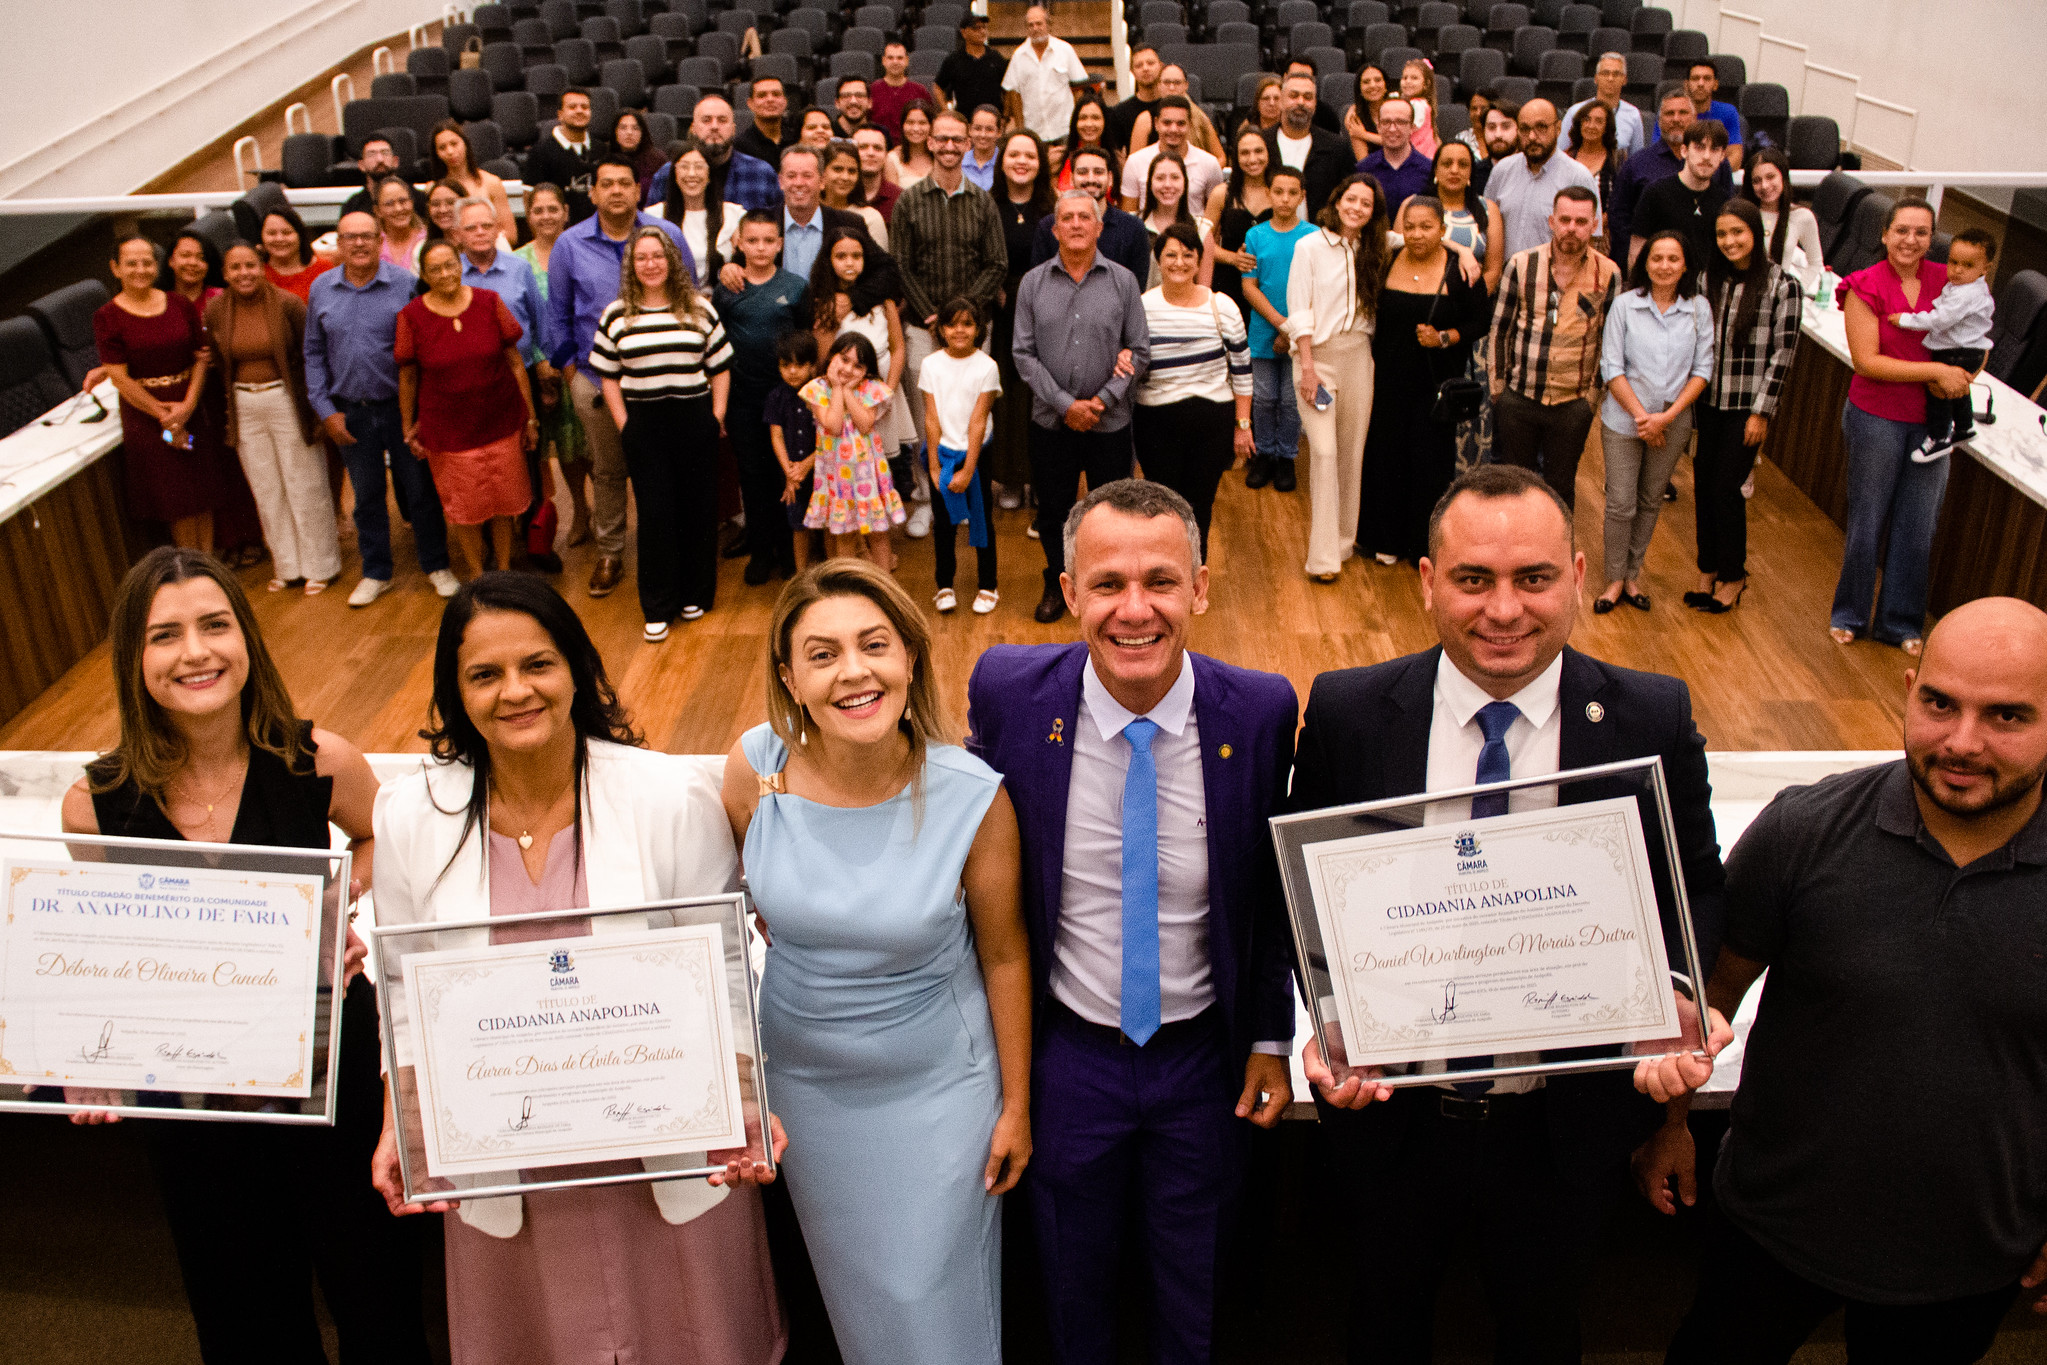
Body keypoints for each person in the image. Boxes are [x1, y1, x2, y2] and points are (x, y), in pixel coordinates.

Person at [1293, 461, 1727, 1365]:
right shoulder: (1349, 712)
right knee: (1381, 1324)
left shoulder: (1649, 717)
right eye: (1472, 579)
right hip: (1394, 1122)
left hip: (1559, 1130)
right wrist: (1332, 1013)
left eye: (1532, 578)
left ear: (1576, 574)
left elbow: (1692, 885)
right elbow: (1305, 895)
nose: (1503, 610)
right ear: (1425, 581)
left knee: (1541, 1332)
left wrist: (1674, 992)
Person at [370, 572, 786, 1365]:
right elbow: (402, 985)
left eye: (538, 664)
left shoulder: (667, 795)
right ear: (455, 692)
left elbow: (724, 968)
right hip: (505, 1163)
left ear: (576, 668)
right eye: (484, 674)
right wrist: (403, 1119)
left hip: (664, 1155)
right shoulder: (411, 815)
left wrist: (745, 1100)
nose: (515, 690)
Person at [61, 546, 434, 1365]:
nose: (195, 652)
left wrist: (339, 902)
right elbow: (102, 943)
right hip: (194, 1100)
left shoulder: (318, 759)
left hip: (330, 1072)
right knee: (243, 1318)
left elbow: (381, 839)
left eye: (214, 625)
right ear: (132, 657)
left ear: (246, 638)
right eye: (165, 635)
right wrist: (89, 1048)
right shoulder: (95, 802)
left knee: (376, 1297)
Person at [1651, 597, 2047, 1365]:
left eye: (2005, 716)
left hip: (1967, 1256)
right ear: (1907, 689)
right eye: (1939, 703)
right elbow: (1706, 994)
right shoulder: (1801, 829)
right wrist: (1668, 1126)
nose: (1961, 741)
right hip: (1766, 1223)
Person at [965, 478, 1298, 1365]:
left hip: (1203, 1062)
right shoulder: (1007, 693)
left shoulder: (1260, 711)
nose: (1135, 609)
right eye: (1107, 583)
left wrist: (1269, 1034)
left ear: (1201, 588)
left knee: (1195, 1296)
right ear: (1068, 592)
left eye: (1160, 580)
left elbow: (1270, 894)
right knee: (1070, 1291)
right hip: (1067, 1056)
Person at [723, 559, 1030, 1365]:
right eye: (822, 654)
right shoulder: (755, 769)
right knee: (859, 1310)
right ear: (788, 676)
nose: (853, 672)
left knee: (932, 1304)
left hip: (938, 1094)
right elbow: (738, 917)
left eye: (874, 644)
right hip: (804, 1092)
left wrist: (1016, 1106)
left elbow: (1004, 955)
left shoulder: (972, 795)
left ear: (910, 657)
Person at [544, 154, 695, 600]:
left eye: (624, 183)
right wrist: (572, 374)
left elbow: (689, 295)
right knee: (608, 470)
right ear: (592, 193)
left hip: (663, 378)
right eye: (606, 184)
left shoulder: (667, 235)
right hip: (595, 379)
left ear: (637, 190)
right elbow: (558, 314)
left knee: (663, 468)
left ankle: (665, 550)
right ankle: (610, 552)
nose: (615, 191)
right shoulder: (569, 244)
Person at [1830, 197, 1974, 655]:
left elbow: (1978, 336)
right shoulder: (1865, 285)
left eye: (1921, 232)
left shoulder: (1949, 281)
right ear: (1885, 235)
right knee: (1868, 519)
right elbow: (1867, 361)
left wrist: (1966, 372)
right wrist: (1936, 372)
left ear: (1932, 239)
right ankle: (1850, 615)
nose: (1911, 240)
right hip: (1877, 417)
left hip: (1934, 424)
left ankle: (1900, 622)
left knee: (1918, 525)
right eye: (1902, 231)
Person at [1012, 189, 1152, 623]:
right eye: (1067, 218)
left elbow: (1139, 350)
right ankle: (1058, 582)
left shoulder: (1123, 282)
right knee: (1054, 510)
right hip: (1051, 422)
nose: (1075, 224)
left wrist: (1101, 401)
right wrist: (1065, 404)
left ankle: (1109, 585)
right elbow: (1023, 354)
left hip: (1110, 422)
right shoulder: (1032, 283)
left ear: (1099, 227)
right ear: (1055, 229)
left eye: (1084, 217)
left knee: (1114, 511)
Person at [302, 212, 456, 604]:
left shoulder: (405, 284)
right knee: (367, 496)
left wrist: (421, 412)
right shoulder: (321, 288)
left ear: (380, 240)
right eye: (350, 237)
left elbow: (424, 348)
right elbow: (313, 353)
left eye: (367, 236)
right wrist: (325, 410)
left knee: (420, 491)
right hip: (349, 411)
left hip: (400, 410)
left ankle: (436, 565)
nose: (358, 244)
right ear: (339, 243)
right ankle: (375, 572)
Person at [587, 227, 730, 638]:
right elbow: (608, 376)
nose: (650, 264)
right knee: (655, 514)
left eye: (658, 256)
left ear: (672, 261)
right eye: (642, 257)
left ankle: (694, 594)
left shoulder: (700, 309)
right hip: (644, 422)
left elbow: (720, 367)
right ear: (631, 265)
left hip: (694, 416)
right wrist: (624, 424)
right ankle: (658, 605)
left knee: (697, 508)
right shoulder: (617, 314)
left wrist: (716, 416)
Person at [889, 106, 1010, 518]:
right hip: (921, 329)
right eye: (942, 138)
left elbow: (997, 264)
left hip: (974, 332)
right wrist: (934, 318)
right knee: (929, 414)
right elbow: (901, 265)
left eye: (958, 139)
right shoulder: (908, 201)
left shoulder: (983, 202)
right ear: (929, 142)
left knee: (973, 412)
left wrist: (962, 319)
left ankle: (971, 488)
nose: (949, 146)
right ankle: (930, 495)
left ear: (968, 143)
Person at [397, 239, 538, 584]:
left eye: (450, 265)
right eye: (435, 269)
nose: (445, 273)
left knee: (503, 503)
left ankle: (503, 571)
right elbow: (408, 377)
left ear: (460, 265)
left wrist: (530, 417)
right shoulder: (411, 316)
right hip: (448, 431)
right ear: (423, 275)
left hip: (500, 420)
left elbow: (515, 363)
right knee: (464, 509)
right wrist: (407, 425)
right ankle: (477, 577)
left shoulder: (489, 302)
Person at [1359, 196, 1490, 565]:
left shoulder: (1460, 271)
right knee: (1385, 456)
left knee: (1429, 461)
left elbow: (1480, 321)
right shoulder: (1386, 258)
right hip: (1387, 379)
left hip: (1435, 383)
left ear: (1442, 230)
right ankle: (1383, 538)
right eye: (1410, 227)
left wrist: (1444, 337)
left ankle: (1422, 543)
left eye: (1426, 227)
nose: (1417, 234)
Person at [208, 242, 341, 594]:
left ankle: (321, 565)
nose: (244, 274)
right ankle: (287, 566)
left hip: (286, 399)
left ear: (262, 267)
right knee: (266, 489)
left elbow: (312, 355)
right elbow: (220, 362)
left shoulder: (287, 304)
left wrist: (317, 409)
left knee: (305, 483)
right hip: (244, 404)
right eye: (235, 268)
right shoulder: (217, 310)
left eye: (250, 266)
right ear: (225, 274)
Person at [1690, 198, 1801, 615]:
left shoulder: (1782, 285)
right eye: (1722, 234)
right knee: (1703, 486)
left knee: (1726, 489)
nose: (1730, 241)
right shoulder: (1708, 279)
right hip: (1707, 401)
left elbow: (1783, 354)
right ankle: (1707, 569)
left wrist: (1762, 412)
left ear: (1756, 232)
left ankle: (1734, 574)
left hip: (1746, 406)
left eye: (1738, 232)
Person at [1592, 230, 1711, 614]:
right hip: (1624, 420)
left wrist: (1666, 418)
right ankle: (1613, 579)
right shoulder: (1625, 305)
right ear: (1645, 263)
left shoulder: (1698, 309)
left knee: (1649, 500)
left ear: (1686, 265)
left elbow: (1702, 370)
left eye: (1673, 259)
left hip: (1673, 422)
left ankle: (1632, 576)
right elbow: (1612, 366)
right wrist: (1644, 418)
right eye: (1656, 258)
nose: (1664, 266)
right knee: (1620, 503)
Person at [1487, 185, 1623, 508]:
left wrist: (1592, 397)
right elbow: (1501, 329)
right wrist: (1498, 387)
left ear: (1594, 225)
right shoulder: (1521, 264)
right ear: (1552, 221)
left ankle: (1556, 542)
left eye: (1581, 221)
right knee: (1515, 486)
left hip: (1573, 403)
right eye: (1565, 220)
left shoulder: (1608, 273)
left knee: (1560, 488)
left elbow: (1610, 340)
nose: (1571, 228)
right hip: (1519, 396)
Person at [1289, 174, 1387, 582]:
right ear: (1337, 200)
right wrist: (1308, 367)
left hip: (1359, 357)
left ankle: (1345, 542)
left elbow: (1428, 235)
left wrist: (1464, 251)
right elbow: (1299, 308)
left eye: (1366, 203)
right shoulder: (1309, 246)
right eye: (1351, 199)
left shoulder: (1377, 246)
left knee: (1351, 453)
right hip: (1317, 359)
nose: (1356, 208)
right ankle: (1324, 558)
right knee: (1325, 452)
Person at [1134, 222, 1252, 555]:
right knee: (1161, 506)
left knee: (1200, 504)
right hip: (1156, 423)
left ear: (1200, 261)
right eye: (1171, 255)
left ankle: (1195, 571)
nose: (1179, 263)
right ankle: (1164, 571)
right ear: (1158, 261)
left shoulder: (1222, 306)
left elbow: (1242, 370)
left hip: (1212, 424)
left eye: (1188, 255)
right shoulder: (1142, 307)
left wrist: (1243, 425)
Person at [714, 210, 813, 585]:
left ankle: (789, 551)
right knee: (752, 476)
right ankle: (760, 552)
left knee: (784, 472)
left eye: (768, 240)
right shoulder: (728, 288)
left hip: (787, 401)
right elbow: (717, 344)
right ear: (738, 243)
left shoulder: (796, 287)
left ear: (780, 244)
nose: (760, 248)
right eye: (752, 240)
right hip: (743, 398)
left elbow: (804, 339)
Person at [515, 183, 593, 549]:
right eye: (538, 210)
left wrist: (569, 361)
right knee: (565, 447)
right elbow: (521, 319)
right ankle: (580, 510)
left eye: (553, 209)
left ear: (565, 212)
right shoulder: (518, 262)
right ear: (528, 216)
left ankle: (606, 510)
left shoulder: (583, 250)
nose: (546, 216)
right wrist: (544, 361)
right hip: (544, 370)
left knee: (595, 444)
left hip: (586, 364)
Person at [809, 226, 915, 483]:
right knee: (854, 461)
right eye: (841, 256)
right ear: (828, 260)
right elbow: (823, 361)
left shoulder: (883, 302)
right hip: (845, 397)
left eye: (856, 256)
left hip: (882, 390)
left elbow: (897, 348)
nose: (849, 263)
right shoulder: (827, 306)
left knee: (884, 460)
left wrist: (887, 392)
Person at [921, 297, 1004, 613]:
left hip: (977, 452)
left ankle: (988, 585)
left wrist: (969, 470)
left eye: (967, 324)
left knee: (982, 518)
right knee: (943, 524)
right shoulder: (931, 365)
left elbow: (978, 420)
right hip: (942, 452)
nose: (960, 330)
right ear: (941, 329)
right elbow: (931, 418)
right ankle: (944, 585)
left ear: (979, 329)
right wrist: (933, 466)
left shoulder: (987, 366)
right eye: (952, 324)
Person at [992, 129, 1058, 503]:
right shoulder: (987, 206)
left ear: (1040, 163)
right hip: (1002, 312)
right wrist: (996, 291)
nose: (1022, 162)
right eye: (1014, 154)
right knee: (1009, 395)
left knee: (1043, 394)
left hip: (1048, 311)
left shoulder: (1053, 208)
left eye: (1030, 156)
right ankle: (1011, 478)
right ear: (1001, 162)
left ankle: (1041, 478)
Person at [801, 332, 906, 564]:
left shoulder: (870, 388)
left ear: (867, 371)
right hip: (837, 478)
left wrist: (847, 391)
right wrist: (837, 388)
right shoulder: (817, 388)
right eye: (844, 359)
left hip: (868, 475)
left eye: (858, 366)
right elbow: (833, 425)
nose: (848, 369)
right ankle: (850, 582)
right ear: (831, 357)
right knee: (845, 535)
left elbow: (865, 424)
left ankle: (882, 580)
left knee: (878, 533)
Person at [1240, 166, 1314, 492]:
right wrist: (1281, 326)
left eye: (1292, 193)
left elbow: (1316, 289)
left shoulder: (1312, 236)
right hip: (1264, 331)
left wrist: (1292, 331)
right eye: (1278, 192)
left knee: (1290, 400)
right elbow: (1250, 287)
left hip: (1302, 333)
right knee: (1264, 397)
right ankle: (1264, 454)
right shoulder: (1256, 236)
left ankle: (1286, 456)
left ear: (1302, 196)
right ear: (1268, 194)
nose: (1285, 199)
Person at [1895, 227, 1998, 460]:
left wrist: (1905, 320)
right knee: (1959, 391)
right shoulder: (1968, 287)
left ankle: (1939, 438)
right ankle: (1964, 428)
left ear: (1985, 268)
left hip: (1958, 352)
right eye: (1953, 262)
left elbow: (1940, 320)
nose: (1958, 270)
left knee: (1939, 391)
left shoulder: (1966, 294)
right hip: (1969, 350)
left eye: (1968, 265)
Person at [1611, 84, 1734, 269]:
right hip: (1658, 266)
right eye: (1669, 114)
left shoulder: (1717, 165)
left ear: (1695, 117)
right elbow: (1619, 215)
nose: (1676, 119)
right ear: (1659, 120)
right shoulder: (1637, 164)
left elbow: (1727, 210)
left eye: (1683, 113)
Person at [1484, 98, 1601, 259]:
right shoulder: (1502, 171)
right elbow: (1486, 229)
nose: (1532, 137)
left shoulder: (1578, 177)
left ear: (1558, 128)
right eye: (1525, 129)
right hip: (1505, 273)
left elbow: (1591, 243)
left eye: (1541, 127)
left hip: (1555, 274)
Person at [1027, 145, 1154, 285]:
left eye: (1098, 172)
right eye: (1082, 172)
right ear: (1071, 178)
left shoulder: (1133, 228)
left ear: (1110, 178)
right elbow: (1039, 283)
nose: (1091, 179)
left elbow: (1136, 286)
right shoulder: (1049, 226)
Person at [1627, 118, 1728, 269]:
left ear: (1722, 156)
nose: (1706, 156)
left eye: (1714, 149)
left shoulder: (1724, 200)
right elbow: (1636, 253)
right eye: (1699, 147)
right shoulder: (1656, 193)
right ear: (1684, 151)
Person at [766, 331, 822, 571]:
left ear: (812, 366)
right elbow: (776, 436)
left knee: (828, 525)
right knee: (798, 525)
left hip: (822, 470)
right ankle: (801, 574)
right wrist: (789, 472)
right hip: (792, 475)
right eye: (785, 365)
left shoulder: (821, 394)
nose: (792, 371)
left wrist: (808, 464)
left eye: (799, 365)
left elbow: (828, 437)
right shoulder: (776, 396)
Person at [1269, 71, 1355, 228]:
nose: (1301, 102)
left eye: (1308, 97)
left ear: (1315, 104)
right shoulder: (1262, 144)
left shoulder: (1337, 147)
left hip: (1322, 236)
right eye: (1294, 96)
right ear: (1280, 101)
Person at [1204, 124, 1275, 315]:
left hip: (1270, 283)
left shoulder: (1279, 192)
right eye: (1245, 153)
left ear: (1269, 152)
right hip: (1228, 285)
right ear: (1235, 157)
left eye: (1258, 151)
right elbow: (1203, 242)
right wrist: (1233, 258)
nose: (1252, 159)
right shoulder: (1222, 194)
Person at [659, 138, 745, 285]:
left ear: (709, 174)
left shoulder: (733, 215)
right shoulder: (654, 215)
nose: (692, 174)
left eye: (699, 167)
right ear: (675, 173)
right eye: (684, 167)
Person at [1121, 97, 1226, 217]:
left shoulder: (1209, 163)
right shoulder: (1135, 162)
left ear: (1190, 125)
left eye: (1180, 123)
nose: (1173, 129)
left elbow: (1214, 216)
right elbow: (1128, 216)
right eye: (1167, 123)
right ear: (1156, 124)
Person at [1740, 147, 1825, 294]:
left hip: (1778, 297)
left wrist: (1796, 291)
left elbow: (1815, 263)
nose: (1764, 186)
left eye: (1770, 177)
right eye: (1756, 181)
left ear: (1783, 176)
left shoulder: (1802, 216)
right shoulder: (1742, 213)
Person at [1003, 5, 1091, 145]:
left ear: (1048, 25)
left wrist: (1077, 122)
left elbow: (1079, 89)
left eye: (1039, 24)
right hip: (1033, 131)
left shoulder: (1065, 50)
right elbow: (1014, 94)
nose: (1035, 28)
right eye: (1030, 25)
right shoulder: (1018, 56)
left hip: (1064, 129)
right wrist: (1021, 129)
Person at [687, 94, 783, 213]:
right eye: (706, 120)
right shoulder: (670, 173)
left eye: (722, 120)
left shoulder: (762, 173)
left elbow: (779, 219)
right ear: (693, 128)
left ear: (733, 129)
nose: (714, 126)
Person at [429, 119, 518, 242]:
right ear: (437, 153)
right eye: (442, 147)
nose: (450, 151)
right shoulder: (435, 190)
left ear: (465, 143)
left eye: (454, 144)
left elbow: (511, 234)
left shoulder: (491, 183)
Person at [524, 86, 603, 220]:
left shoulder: (601, 149)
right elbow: (529, 200)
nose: (579, 111)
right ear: (560, 114)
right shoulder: (540, 152)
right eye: (572, 107)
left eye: (584, 107)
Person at [1127, 64, 1227, 167]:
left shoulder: (1200, 117)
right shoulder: (1145, 119)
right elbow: (1135, 163)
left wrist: (1199, 172)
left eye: (1177, 83)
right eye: (1166, 82)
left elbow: (1221, 158)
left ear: (1186, 85)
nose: (1172, 87)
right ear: (1159, 85)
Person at [1136, 152, 1211, 288]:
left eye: (1175, 177)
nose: (1167, 184)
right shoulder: (1133, 225)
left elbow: (1204, 289)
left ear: (1185, 182)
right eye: (1160, 178)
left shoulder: (1201, 230)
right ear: (1150, 183)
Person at [1563, 52, 1647, 159]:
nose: (1610, 78)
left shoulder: (1633, 114)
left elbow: (1637, 159)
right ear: (1596, 78)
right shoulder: (1575, 111)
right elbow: (1561, 153)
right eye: (1605, 73)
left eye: (1616, 74)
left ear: (1624, 80)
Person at [1661, 59, 1744, 168]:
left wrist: (1707, 173)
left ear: (1715, 84)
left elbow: (1735, 157)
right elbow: (1659, 154)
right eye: (1695, 78)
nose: (1700, 84)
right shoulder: (1670, 112)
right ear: (1686, 84)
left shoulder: (1728, 112)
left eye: (1707, 79)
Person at [1358, 98, 1434, 214]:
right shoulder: (1363, 170)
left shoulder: (1429, 170)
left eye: (1400, 122)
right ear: (1378, 127)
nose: (1392, 129)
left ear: (1412, 127)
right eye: (1386, 122)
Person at [935, 11, 1008, 127]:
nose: (982, 31)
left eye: (984, 27)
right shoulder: (954, 60)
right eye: (976, 28)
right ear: (964, 32)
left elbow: (1008, 89)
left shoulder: (996, 58)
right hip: (965, 122)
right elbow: (937, 87)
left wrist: (1005, 116)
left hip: (992, 121)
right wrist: (946, 111)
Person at [1568, 99, 1620, 254]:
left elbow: (1620, 199)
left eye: (1598, 121)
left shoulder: (1617, 160)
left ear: (1606, 127)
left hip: (1603, 237)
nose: (1591, 126)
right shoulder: (1566, 157)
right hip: (1568, 231)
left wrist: (1598, 223)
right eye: (1587, 120)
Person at [820, 139, 890, 250]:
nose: (845, 177)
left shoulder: (870, 218)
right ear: (822, 173)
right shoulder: (810, 213)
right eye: (838, 169)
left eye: (852, 171)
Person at [339, 134, 426, 218]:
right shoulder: (353, 206)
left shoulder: (418, 199)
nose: (379, 159)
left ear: (395, 161)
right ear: (361, 165)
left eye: (385, 153)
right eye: (371, 154)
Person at [258, 205, 331, 302]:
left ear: (300, 235)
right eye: (272, 233)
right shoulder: (256, 273)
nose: (279, 239)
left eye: (286, 233)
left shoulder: (324, 271)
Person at [1105, 43, 1164, 157]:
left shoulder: (1172, 106)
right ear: (1132, 71)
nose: (1145, 68)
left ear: (1161, 66)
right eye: (1139, 65)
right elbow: (1116, 153)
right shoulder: (1120, 112)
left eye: (1150, 63)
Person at [872, 40, 932, 142]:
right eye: (890, 58)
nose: (895, 62)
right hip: (878, 145)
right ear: (883, 61)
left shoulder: (920, 91)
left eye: (900, 58)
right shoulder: (873, 90)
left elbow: (929, 122)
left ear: (907, 61)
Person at [1058, 91, 1116, 191]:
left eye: (1095, 118)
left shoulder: (1117, 162)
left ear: (1105, 122)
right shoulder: (1059, 159)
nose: (1089, 124)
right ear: (1075, 122)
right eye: (1083, 118)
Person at [371, 174, 428, 273]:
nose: (398, 209)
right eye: (389, 204)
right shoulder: (372, 245)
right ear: (377, 211)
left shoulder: (427, 239)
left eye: (403, 201)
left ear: (412, 203)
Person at [737, 74, 798, 166]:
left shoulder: (797, 139)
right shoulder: (740, 147)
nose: (770, 99)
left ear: (785, 101)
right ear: (750, 104)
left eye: (776, 94)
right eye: (762, 95)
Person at [606, 109, 665, 203]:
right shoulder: (605, 158)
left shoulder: (657, 160)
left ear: (642, 133)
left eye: (635, 128)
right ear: (615, 132)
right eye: (623, 128)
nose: (629, 132)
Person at [852, 126, 902, 223]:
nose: (871, 153)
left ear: (886, 155)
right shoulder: (840, 196)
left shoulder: (899, 198)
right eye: (863, 147)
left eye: (877, 148)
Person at [885, 98, 938, 188]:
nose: (916, 128)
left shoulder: (939, 156)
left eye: (922, 123)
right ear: (902, 125)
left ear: (931, 126)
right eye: (910, 122)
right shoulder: (892, 160)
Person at [1395, 58, 1441, 159]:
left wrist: (1364, 135)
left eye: (1414, 78)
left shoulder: (1416, 105)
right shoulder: (1421, 103)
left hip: (1419, 158)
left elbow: (1397, 137)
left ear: (1426, 84)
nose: (1408, 81)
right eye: (1405, 78)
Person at [1343, 63, 1389, 162]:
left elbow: (1403, 143)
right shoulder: (1356, 117)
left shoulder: (1399, 109)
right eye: (1366, 82)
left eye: (1378, 80)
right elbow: (1364, 162)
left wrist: (1364, 135)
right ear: (1359, 89)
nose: (1372, 85)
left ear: (1386, 85)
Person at [964, 104, 1004, 191]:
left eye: (989, 129)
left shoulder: (1005, 164)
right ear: (969, 129)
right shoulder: (959, 163)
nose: (983, 135)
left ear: (999, 132)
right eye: (977, 128)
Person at [1237, 74, 1285, 145]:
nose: (1272, 103)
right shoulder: (1247, 130)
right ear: (1257, 103)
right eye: (1266, 98)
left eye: (1276, 98)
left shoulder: (1289, 132)